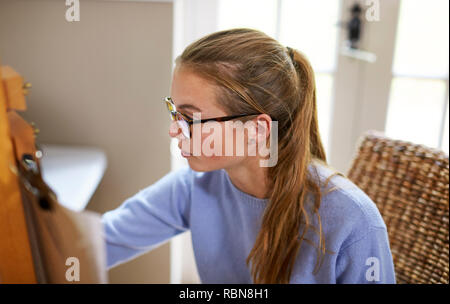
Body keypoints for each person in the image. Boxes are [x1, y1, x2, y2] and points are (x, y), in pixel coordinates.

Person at [101, 28, 396, 284]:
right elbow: (105, 240)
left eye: (190, 118)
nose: (174, 130)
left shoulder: (352, 221)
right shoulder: (195, 187)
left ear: (257, 129)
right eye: (174, 112)